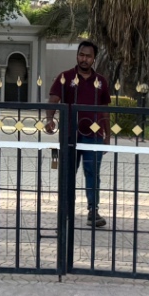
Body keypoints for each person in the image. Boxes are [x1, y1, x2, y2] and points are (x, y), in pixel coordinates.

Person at [45, 40, 111, 228]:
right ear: (77, 55)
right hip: (69, 134)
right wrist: (49, 120)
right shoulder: (65, 77)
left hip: (94, 135)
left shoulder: (101, 81)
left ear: (94, 58)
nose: (84, 59)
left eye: (88, 56)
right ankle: (66, 210)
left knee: (92, 173)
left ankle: (93, 211)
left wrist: (107, 136)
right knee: (67, 173)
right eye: (81, 55)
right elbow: (53, 101)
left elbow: (105, 109)